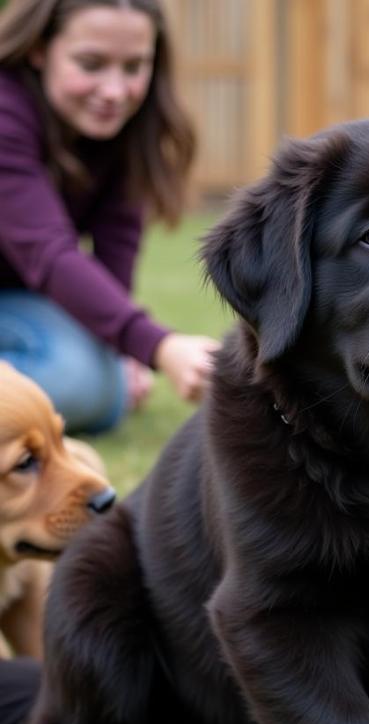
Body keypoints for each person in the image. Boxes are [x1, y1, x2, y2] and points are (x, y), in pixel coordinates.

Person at [0, 0, 219, 433]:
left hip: (15, 300)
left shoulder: (124, 127)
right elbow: (49, 254)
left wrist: (119, 349)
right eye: (91, 63)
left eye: (134, 66)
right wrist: (159, 347)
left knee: (102, 386)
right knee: (84, 383)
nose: (115, 91)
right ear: (40, 49)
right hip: (24, 291)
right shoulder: (6, 113)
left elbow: (117, 239)